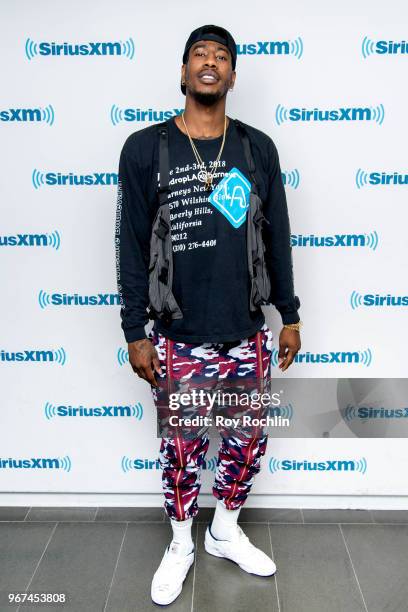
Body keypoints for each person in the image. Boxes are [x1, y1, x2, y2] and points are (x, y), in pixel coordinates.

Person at [115, 24, 302, 606]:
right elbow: (130, 242)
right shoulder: (146, 149)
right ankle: (180, 544)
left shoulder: (255, 148)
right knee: (181, 450)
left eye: (222, 55)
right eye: (201, 53)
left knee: (245, 443)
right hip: (177, 333)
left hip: (246, 331)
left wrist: (288, 315)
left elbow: (278, 238)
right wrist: (134, 330)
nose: (211, 62)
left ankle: (223, 530)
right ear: (183, 71)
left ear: (233, 76)